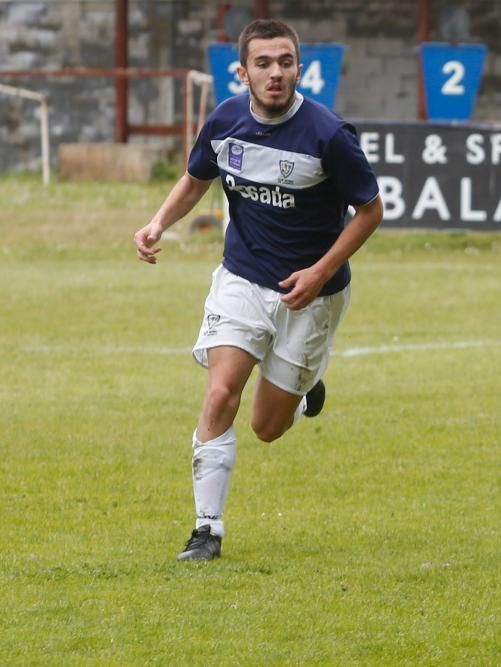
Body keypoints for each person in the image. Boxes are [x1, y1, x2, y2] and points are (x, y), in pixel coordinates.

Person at [133, 18, 383, 562]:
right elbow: (198, 177)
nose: (276, 73)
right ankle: (207, 530)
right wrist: (159, 223)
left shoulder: (329, 135)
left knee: (267, 427)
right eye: (264, 64)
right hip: (242, 277)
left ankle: (303, 387)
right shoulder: (224, 120)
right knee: (221, 393)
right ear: (242, 72)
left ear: (299, 67)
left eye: (286, 62)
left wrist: (319, 271)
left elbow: (370, 211)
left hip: (312, 295)